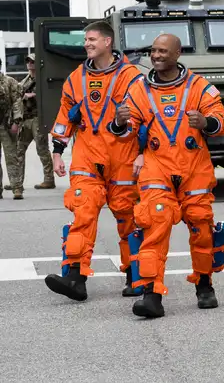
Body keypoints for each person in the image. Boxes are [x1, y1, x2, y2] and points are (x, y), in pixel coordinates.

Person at [110, 33, 224, 318]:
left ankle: (204, 284)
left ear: (177, 54)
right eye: (153, 50)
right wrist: (120, 122)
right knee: (154, 223)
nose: (156, 55)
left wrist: (206, 122)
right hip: (157, 166)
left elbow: (221, 121)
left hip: (193, 167)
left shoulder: (199, 87)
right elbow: (126, 133)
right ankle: (151, 294)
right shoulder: (139, 89)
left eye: (163, 51)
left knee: (201, 226)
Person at [43, 21, 145, 301]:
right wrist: (57, 151)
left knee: (129, 217)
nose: (86, 44)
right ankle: (75, 278)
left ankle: (136, 275)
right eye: (85, 40)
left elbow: (145, 116)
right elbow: (65, 115)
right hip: (87, 156)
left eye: (92, 39)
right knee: (83, 213)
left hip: (123, 156)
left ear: (107, 42)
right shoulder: (76, 78)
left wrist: (142, 152)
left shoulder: (131, 77)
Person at [4, 53, 56, 194]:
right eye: (28, 61)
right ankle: (17, 181)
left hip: (37, 118)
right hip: (25, 119)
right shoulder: (25, 80)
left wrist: (34, 95)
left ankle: (49, 179)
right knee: (19, 150)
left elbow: (49, 96)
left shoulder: (42, 80)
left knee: (42, 149)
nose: (29, 63)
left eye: (32, 61)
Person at [0, 63, 23, 200]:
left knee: (11, 157)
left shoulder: (9, 82)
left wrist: (16, 121)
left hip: (6, 125)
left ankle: (17, 188)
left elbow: (17, 102)